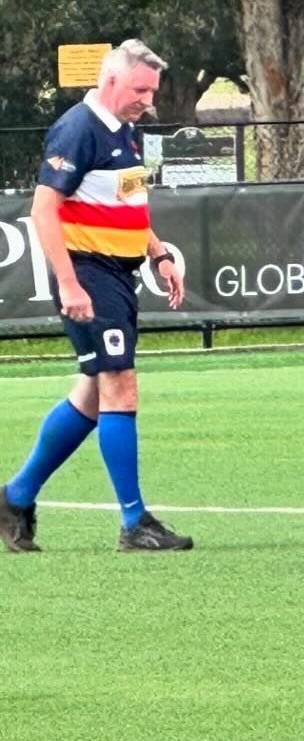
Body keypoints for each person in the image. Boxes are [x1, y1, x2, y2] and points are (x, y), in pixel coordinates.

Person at [0, 40, 191, 553]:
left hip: (119, 273)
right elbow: (43, 211)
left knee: (91, 395)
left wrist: (158, 253)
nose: (148, 101)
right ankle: (134, 522)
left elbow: (127, 200)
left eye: (152, 91)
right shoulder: (78, 128)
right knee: (120, 386)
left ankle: (15, 497)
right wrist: (68, 283)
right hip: (91, 274)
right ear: (111, 81)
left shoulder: (123, 130)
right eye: (140, 90)